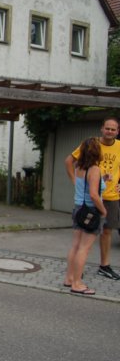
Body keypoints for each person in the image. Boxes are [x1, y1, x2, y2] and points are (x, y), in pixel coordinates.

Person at [65, 116, 120, 281]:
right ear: (102, 128)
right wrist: (76, 182)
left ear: (117, 131)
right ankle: (77, 270)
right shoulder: (91, 144)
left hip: (110, 195)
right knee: (84, 238)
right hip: (92, 198)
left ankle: (104, 266)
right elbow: (69, 161)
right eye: (107, 128)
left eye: (113, 129)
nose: (109, 131)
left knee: (107, 231)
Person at [64, 137, 106, 295]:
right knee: (84, 248)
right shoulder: (94, 169)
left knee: (75, 245)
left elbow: (86, 186)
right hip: (91, 211)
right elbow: (94, 195)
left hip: (78, 209)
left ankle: (69, 278)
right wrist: (103, 210)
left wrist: (104, 180)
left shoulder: (79, 167)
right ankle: (77, 283)